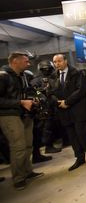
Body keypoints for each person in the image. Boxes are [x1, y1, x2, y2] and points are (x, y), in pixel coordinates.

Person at [0, 52, 44, 190]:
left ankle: (27, 172)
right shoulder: (3, 76)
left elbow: (29, 92)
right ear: (15, 61)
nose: (28, 63)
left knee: (28, 145)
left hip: (25, 114)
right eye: (25, 61)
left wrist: (33, 100)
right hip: (9, 115)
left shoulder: (22, 76)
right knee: (18, 147)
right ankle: (18, 178)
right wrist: (20, 102)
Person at [51, 54, 86, 171]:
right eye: (55, 62)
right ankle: (80, 158)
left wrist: (67, 101)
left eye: (59, 61)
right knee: (72, 137)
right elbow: (50, 93)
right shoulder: (54, 76)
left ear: (65, 61)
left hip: (77, 110)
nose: (57, 64)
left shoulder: (76, 73)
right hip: (64, 112)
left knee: (82, 135)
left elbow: (81, 90)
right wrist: (58, 102)